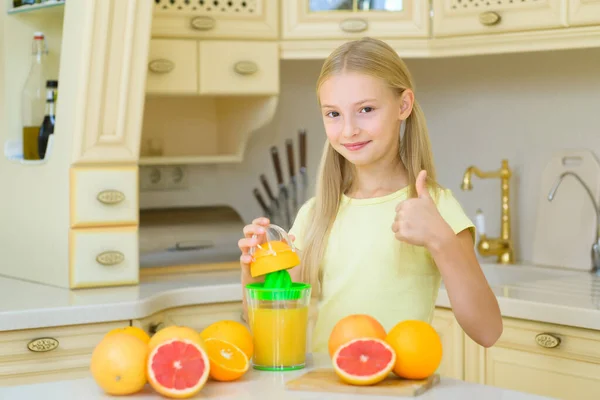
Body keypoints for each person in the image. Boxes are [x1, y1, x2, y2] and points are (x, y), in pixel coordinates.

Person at [238, 37, 502, 354]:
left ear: (403, 105)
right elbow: (273, 323)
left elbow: (488, 331)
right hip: (328, 387)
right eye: (333, 114)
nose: (349, 130)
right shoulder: (317, 213)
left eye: (366, 109)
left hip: (397, 386)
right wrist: (251, 271)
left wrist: (441, 240)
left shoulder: (432, 207)